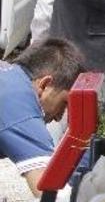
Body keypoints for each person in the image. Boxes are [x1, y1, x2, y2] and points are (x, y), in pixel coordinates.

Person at [0, 39, 87, 196]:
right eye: (64, 103)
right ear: (45, 85)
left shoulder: (8, 75)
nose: (59, 117)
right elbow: (51, 192)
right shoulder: (18, 103)